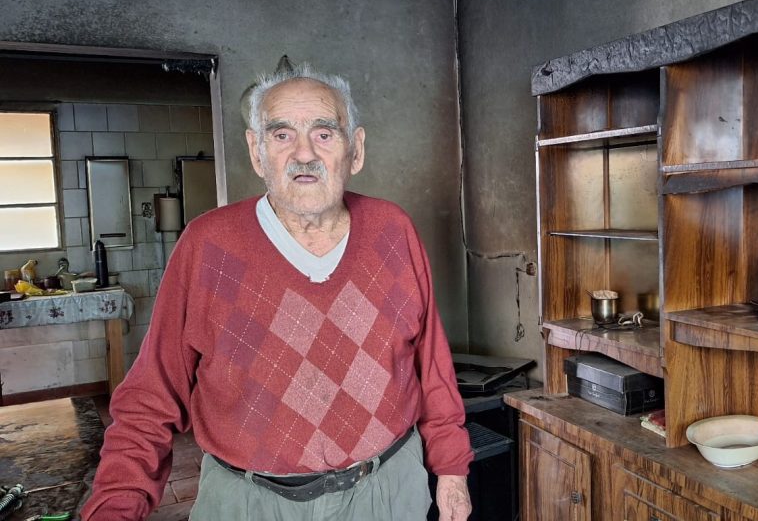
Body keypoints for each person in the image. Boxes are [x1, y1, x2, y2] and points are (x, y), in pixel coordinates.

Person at [82, 64, 474, 520]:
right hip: (249, 501)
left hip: (387, 490)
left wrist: (452, 470)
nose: (303, 153)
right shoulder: (208, 246)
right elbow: (150, 397)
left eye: (325, 133)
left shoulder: (394, 230)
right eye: (282, 134)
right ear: (257, 151)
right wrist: (114, 508)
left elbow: (432, 365)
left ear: (356, 149)